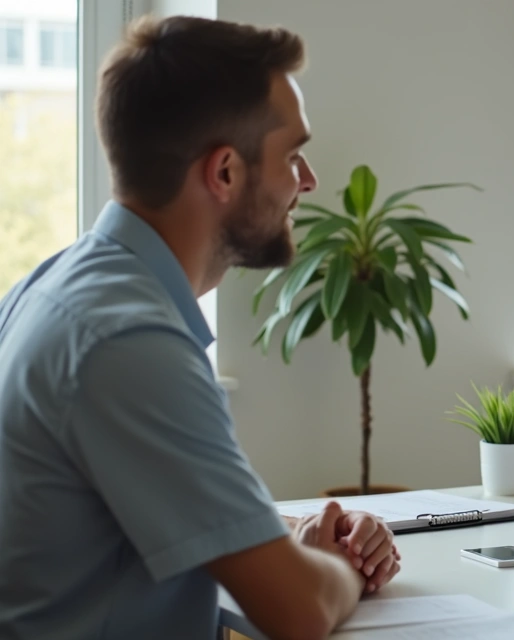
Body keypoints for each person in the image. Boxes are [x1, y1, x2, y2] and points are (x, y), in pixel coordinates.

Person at [0, 16, 399, 639]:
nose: (309, 181)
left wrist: (290, 541)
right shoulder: (129, 342)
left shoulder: (55, 288)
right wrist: (334, 568)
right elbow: (299, 613)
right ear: (224, 173)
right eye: (292, 156)